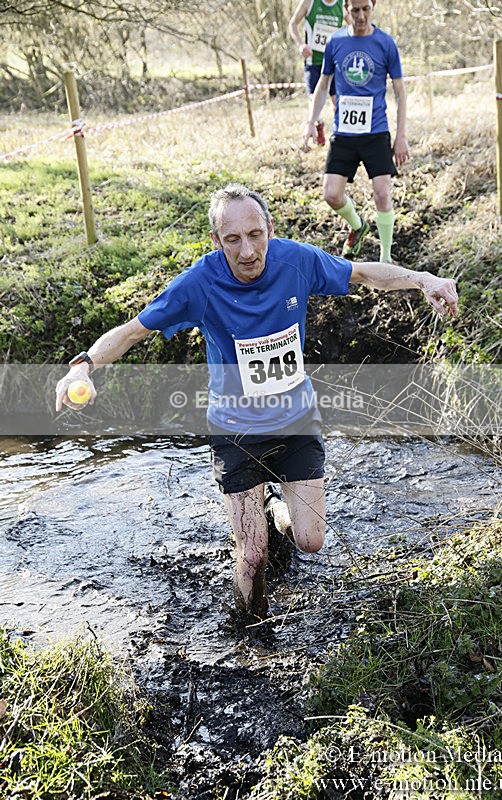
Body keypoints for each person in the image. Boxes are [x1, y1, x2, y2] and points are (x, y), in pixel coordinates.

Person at [55, 184, 458, 627]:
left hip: (295, 423)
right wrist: (83, 366)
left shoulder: (296, 261)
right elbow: (133, 331)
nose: (247, 251)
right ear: (216, 242)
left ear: (269, 228)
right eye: (232, 240)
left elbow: (362, 273)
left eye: (255, 235)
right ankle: (251, 632)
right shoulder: (199, 284)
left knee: (311, 540)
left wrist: (423, 280)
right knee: (252, 556)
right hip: (236, 433)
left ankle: (277, 506)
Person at [303, 0, 409, 262]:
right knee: (331, 195)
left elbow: (400, 92)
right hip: (345, 132)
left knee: (383, 194)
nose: (361, 16)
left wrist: (401, 135)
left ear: (372, 8)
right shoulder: (336, 42)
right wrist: (310, 122)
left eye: (366, 9)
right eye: (355, 10)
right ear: (346, 9)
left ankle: (386, 258)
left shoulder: (386, 43)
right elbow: (323, 84)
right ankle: (358, 226)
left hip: (376, 131)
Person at [288, 0, 344, 146]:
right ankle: (318, 126)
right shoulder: (310, 2)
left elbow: (354, 25)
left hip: (334, 61)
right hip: (314, 61)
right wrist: (301, 44)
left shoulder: (343, 4)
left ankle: (341, 135)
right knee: (314, 99)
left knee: (337, 101)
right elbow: (292, 24)